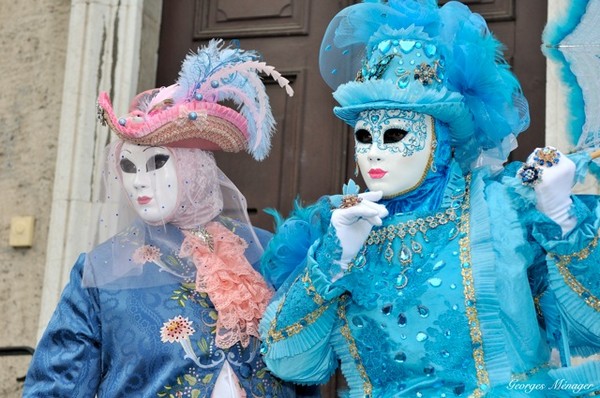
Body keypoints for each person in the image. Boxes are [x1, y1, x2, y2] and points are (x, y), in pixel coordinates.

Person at [259, 1, 600, 397]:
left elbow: (592, 325)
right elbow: (288, 360)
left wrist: (564, 221)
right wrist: (331, 263)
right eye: (364, 136)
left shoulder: (503, 208)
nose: (373, 152)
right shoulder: (344, 228)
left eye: (395, 134)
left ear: (441, 140)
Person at [23, 39, 302, 397]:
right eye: (128, 166)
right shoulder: (102, 270)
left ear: (196, 166)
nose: (139, 180)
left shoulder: (263, 251)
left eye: (157, 162)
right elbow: (56, 386)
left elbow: (303, 367)